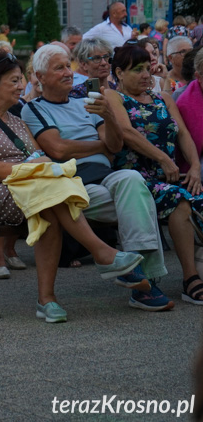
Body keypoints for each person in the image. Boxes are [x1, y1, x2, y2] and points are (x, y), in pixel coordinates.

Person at [0, 52, 146, 322]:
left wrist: (40, 166)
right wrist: (35, 169)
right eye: (14, 81)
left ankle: (49, 300)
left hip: (28, 191)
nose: (22, 86)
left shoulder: (18, 122)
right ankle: (99, 255)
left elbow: (39, 156)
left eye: (21, 80)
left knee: (48, 207)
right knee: (48, 195)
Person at [22, 44, 172, 310]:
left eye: (69, 65)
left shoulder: (87, 103)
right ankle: (144, 283)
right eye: (60, 68)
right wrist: (99, 145)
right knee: (136, 201)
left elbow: (114, 145)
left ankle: (134, 272)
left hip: (104, 175)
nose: (69, 72)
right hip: (73, 183)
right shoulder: (33, 109)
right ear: (40, 77)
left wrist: (109, 118)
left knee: (132, 179)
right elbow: (57, 148)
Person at [105, 45, 203, 306]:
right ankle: (191, 278)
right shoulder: (114, 97)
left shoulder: (163, 98)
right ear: (119, 73)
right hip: (137, 178)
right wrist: (162, 159)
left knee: (196, 195)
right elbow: (126, 132)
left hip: (169, 176)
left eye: (148, 68)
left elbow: (183, 134)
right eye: (138, 70)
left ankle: (194, 274)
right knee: (179, 200)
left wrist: (194, 167)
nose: (146, 74)